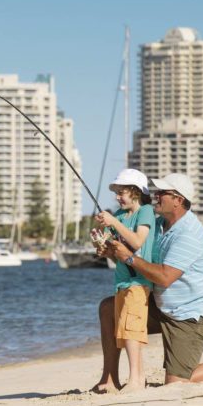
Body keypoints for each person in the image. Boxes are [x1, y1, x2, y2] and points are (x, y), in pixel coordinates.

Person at [97, 173, 203, 387]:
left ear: (178, 200)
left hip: (190, 315)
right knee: (109, 308)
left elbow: (165, 277)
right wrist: (110, 250)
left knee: (177, 381)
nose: (156, 196)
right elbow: (135, 251)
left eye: (162, 193)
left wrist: (128, 257)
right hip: (162, 307)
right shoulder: (157, 224)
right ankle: (110, 379)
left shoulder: (190, 233)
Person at [89, 169, 158, 394]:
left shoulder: (146, 211)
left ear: (137, 192)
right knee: (123, 329)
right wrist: (101, 246)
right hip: (122, 282)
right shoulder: (119, 215)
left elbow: (137, 242)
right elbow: (114, 250)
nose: (118, 196)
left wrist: (113, 222)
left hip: (140, 280)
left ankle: (137, 379)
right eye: (117, 192)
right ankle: (113, 380)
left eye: (122, 192)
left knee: (131, 328)